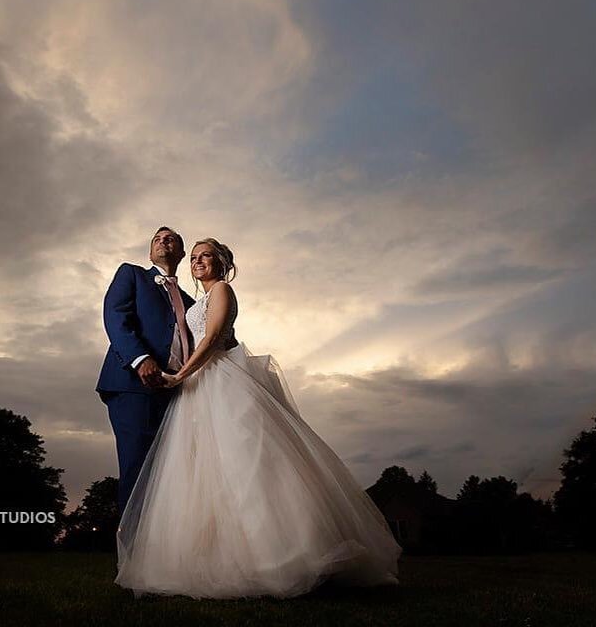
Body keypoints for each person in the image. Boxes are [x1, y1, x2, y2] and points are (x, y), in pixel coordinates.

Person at [114, 238, 403, 599]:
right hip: (199, 386)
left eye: (208, 256)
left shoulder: (222, 290)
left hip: (218, 377)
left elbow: (213, 338)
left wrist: (180, 375)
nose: (199, 261)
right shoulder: (193, 301)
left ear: (223, 263)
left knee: (246, 459)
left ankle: (281, 555)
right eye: (197, 257)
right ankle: (215, 556)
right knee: (203, 470)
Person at [96, 227, 197, 520]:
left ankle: (163, 554)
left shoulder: (190, 303)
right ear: (150, 251)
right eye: (157, 238)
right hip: (133, 384)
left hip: (178, 391)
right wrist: (140, 360)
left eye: (171, 239)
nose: (164, 241)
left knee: (172, 473)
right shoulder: (132, 275)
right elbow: (115, 317)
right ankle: (130, 557)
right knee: (138, 468)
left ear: (181, 253)